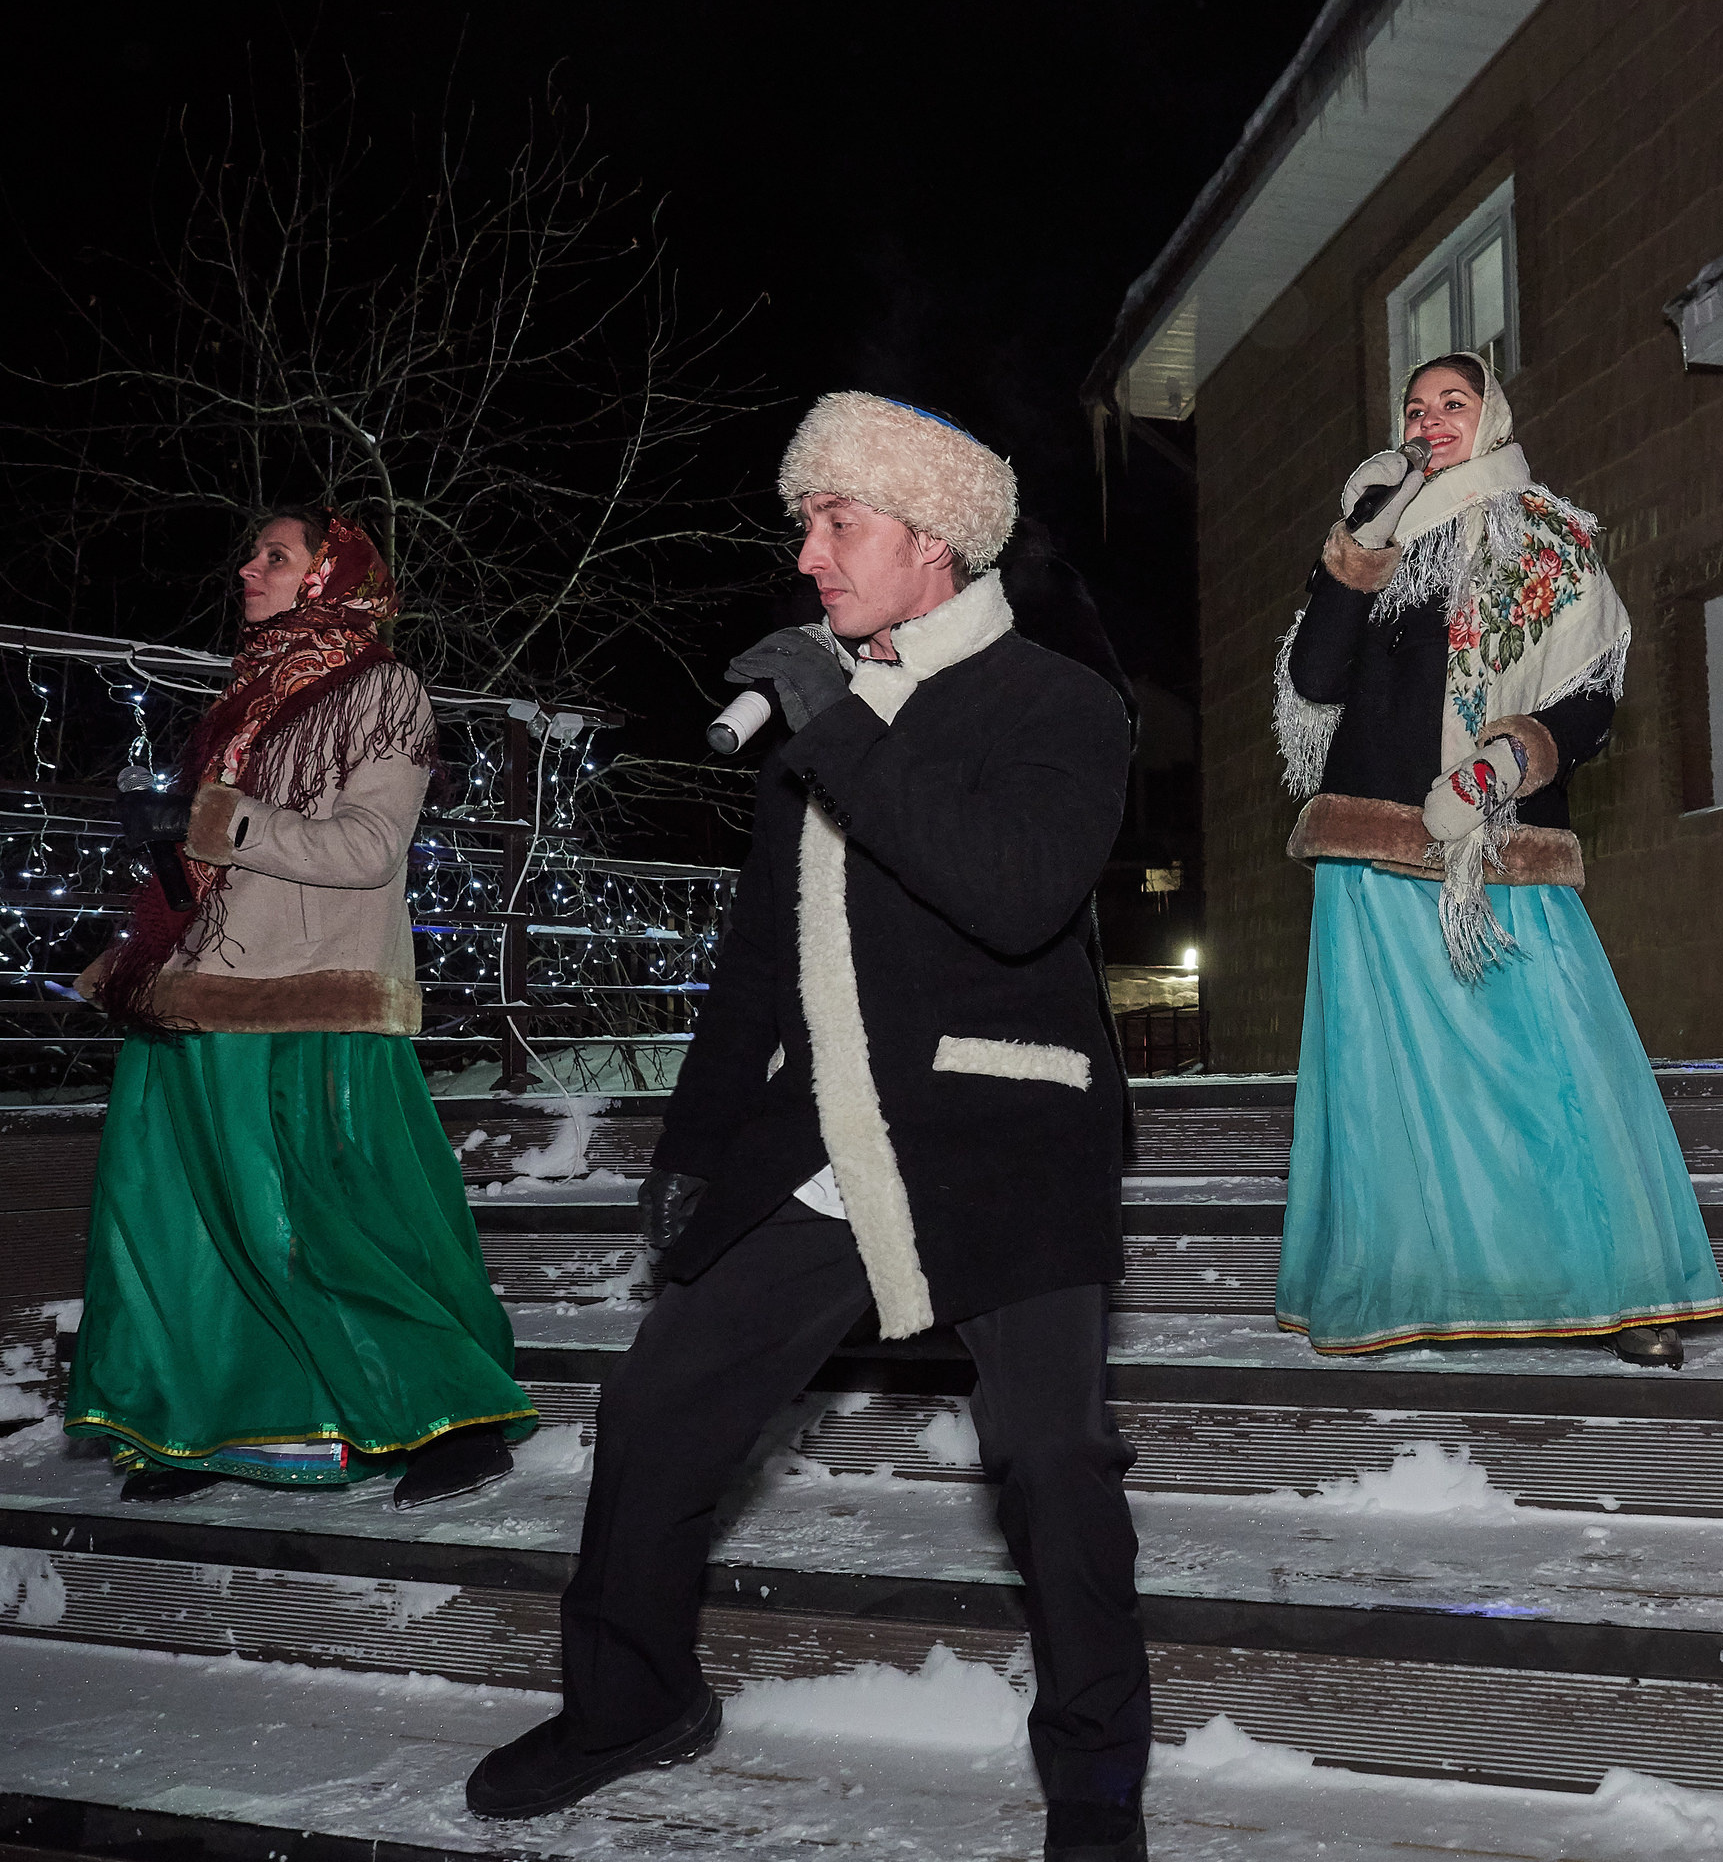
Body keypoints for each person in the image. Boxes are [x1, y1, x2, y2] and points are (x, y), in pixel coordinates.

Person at [466, 394, 1152, 1862]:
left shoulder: (1060, 705)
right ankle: (628, 1706)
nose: (809, 557)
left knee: (1048, 1459)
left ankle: (1096, 1776)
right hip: (827, 1135)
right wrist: (698, 1147)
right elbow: (762, 966)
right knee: (656, 1413)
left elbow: (1015, 892)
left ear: (934, 544)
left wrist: (840, 726)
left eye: (838, 525)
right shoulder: (809, 729)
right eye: (806, 524)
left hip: (1005, 1130)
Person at [68, 511, 533, 1508]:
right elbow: (218, 857)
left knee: (331, 1220)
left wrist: (220, 819)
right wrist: (165, 845)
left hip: (307, 995)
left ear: (330, 577)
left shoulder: (381, 687)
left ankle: (453, 1413)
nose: (247, 567)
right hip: (193, 992)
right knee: (177, 1221)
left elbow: (369, 849)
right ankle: (217, 1423)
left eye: (274, 555)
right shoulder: (247, 694)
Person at [1271, 350, 1723, 1366]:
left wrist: (1507, 759)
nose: (1431, 421)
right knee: (1388, 1081)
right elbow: (1312, 676)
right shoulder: (1375, 532)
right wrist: (1360, 547)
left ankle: (1618, 1291)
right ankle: (1402, 1288)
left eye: (1454, 404)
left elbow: (1594, 696)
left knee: (1553, 1060)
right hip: (1370, 843)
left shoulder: (1552, 539)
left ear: (1492, 418)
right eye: (1415, 407)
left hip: (1500, 838)